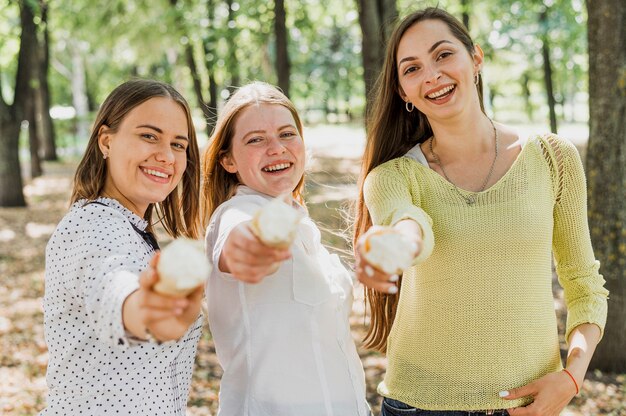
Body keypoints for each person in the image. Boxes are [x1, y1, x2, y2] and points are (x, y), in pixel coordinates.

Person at [353, 7, 609, 416]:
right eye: (412, 68)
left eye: (442, 55)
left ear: (476, 59)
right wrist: (393, 244)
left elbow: (583, 283)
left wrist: (572, 377)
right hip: (419, 405)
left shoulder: (552, 158)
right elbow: (410, 225)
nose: (432, 75)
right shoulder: (392, 177)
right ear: (403, 92)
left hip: (528, 404)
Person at [202, 81, 369, 416]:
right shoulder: (236, 215)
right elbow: (239, 244)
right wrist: (253, 245)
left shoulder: (302, 223)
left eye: (287, 134)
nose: (276, 148)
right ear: (228, 161)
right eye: (256, 140)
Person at [40, 79, 204, 415]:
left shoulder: (131, 229)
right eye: (149, 136)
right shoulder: (91, 226)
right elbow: (114, 287)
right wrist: (147, 309)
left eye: (178, 144)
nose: (165, 155)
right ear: (106, 140)